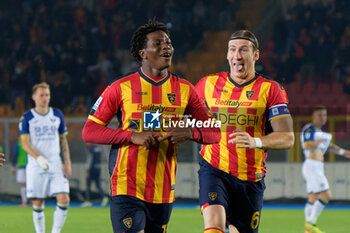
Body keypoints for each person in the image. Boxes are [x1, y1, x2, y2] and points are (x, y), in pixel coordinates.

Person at [82, 19, 221, 233]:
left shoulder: (186, 90)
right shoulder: (120, 88)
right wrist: (131, 136)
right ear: (143, 53)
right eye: (158, 43)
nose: (166, 46)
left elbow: (215, 132)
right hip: (126, 185)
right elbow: (89, 131)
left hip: (163, 189)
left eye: (168, 42)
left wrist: (190, 132)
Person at [195, 30, 294, 233]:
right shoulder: (207, 84)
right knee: (213, 226)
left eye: (243, 50)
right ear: (227, 55)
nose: (237, 55)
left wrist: (256, 142)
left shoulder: (271, 89)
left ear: (256, 55)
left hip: (250, 177)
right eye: (232, 50)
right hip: (214, 169)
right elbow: (181, 115)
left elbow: (287, 137)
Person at [19, 82, 71, 233]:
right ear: (34, 97)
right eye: (41, 95)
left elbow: (63, 140)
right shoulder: (27, 117)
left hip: (55, 163)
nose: (44, 98)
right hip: (36, 165)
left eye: (47, 95)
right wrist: (39, 158)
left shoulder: (57, 115)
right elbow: (25, 144)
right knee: (37, 202)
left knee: (64, 199)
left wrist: (67, 161)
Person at [301, 105, 350, 233]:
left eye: (324, 115)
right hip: (312, 165)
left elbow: (330, 146)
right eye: (320, 115)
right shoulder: (309, 129)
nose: (323, 117)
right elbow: (307, 145)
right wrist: (319, 141)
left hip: (317, 166)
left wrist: (344, 152)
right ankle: (311, 223)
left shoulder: (323, 134)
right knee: (327, 195)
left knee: (313, 196)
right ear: (313, 116)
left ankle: (308, 229)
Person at [81, 143, 108, 207]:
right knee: (98, 185)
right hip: (98, 169)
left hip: (91, 169)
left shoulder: (90, 149)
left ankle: (88, 201)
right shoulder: (98, 148)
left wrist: (87, 170)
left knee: (88, 186)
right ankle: (104, 197)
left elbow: (89, 160)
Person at [11, 139, 28, 207]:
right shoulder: (30, 144)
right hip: (31, 167)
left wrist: (13, 166)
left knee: (23, 185)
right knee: (29, 184)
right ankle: (32, 200)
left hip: (21, 167)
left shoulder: (18, 144)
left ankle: (24, 202)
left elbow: (14, 155)